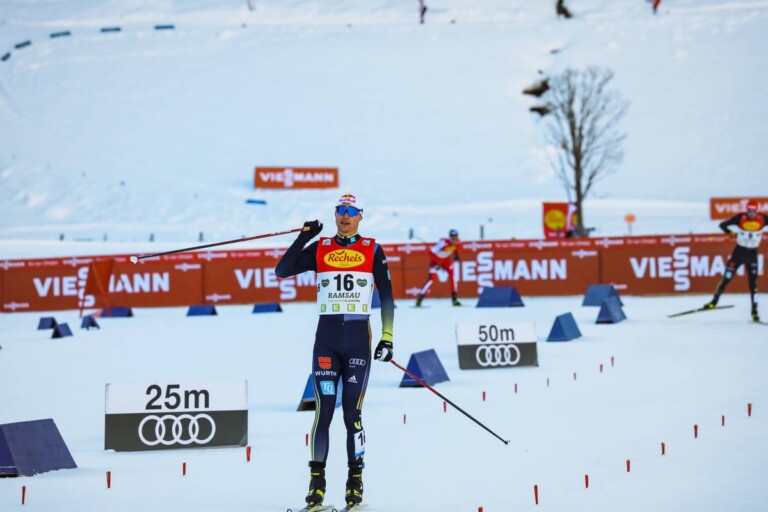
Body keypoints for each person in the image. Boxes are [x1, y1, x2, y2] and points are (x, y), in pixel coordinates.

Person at [275, 193, 395, 509]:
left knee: (352, 413)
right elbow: (283, 270)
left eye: (351, 211)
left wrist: (387, 337)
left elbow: (387, 296)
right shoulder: (322, 247)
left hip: (357, 341)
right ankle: (316, 489)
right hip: (326, 341)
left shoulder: (372, 249)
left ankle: (355, 485)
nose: (345, 215)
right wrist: (304, 237)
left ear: (360, 216)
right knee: (323, 413)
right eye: (340, 210)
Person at [703, 200, 768, 322]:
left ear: (756, 211)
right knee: (726, 278)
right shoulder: (740, 218)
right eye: (749, 211)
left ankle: (754, 311)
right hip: (738, 253)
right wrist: (730, 233)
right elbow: (722, 225)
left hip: (752, 255)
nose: (751, 214)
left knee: (753, 284)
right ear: (747, 210)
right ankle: (713, 302)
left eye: (753, 211)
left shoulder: (763, 219)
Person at [414, 229, 462, 307]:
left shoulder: (458, 243)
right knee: (431, 280)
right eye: (452, 238)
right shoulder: (443, 243)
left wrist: (456, 255)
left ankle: (454, 299)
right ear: (449, 237)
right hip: (435, 260)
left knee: (453, 276)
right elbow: (431, 252)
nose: (454, 240)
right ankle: (420, 299)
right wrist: (437, 263)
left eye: (455, 237)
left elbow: (455, 248)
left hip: (445, 261)